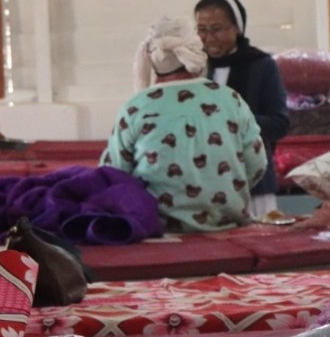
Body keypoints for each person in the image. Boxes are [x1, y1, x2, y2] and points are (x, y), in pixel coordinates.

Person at [101, 17, 267, 233]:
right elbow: (257, 164)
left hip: (161, 233)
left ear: (151, 57)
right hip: (228, 227)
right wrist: (221, 192)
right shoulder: (230, 99)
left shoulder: (136, 107)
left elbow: (113, 174)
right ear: (196, 49)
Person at [194, 0, 290, 216]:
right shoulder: (194, 67)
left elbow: (280, 123)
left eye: (216, 29)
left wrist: (232, 122)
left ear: (237, 27)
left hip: (253, 183)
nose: (209, 38)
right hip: (204, 182)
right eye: (202, 30)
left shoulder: (261, 65)